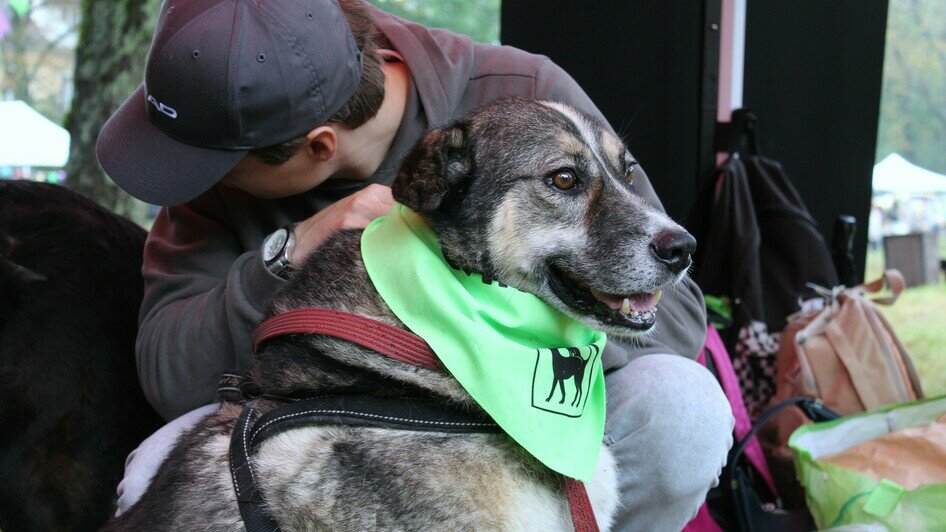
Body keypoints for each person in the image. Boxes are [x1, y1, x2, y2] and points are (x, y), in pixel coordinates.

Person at [96, 0, 733, 529]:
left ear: (319, 147)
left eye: (214, 163)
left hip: (538, 411)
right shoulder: (217, 147)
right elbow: (169, 372)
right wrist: (293, 251)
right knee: (157, 470)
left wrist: (491, 346)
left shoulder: (524, 103)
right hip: (331, 427)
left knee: (681, 409)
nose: (194, 177)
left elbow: (669, 308)